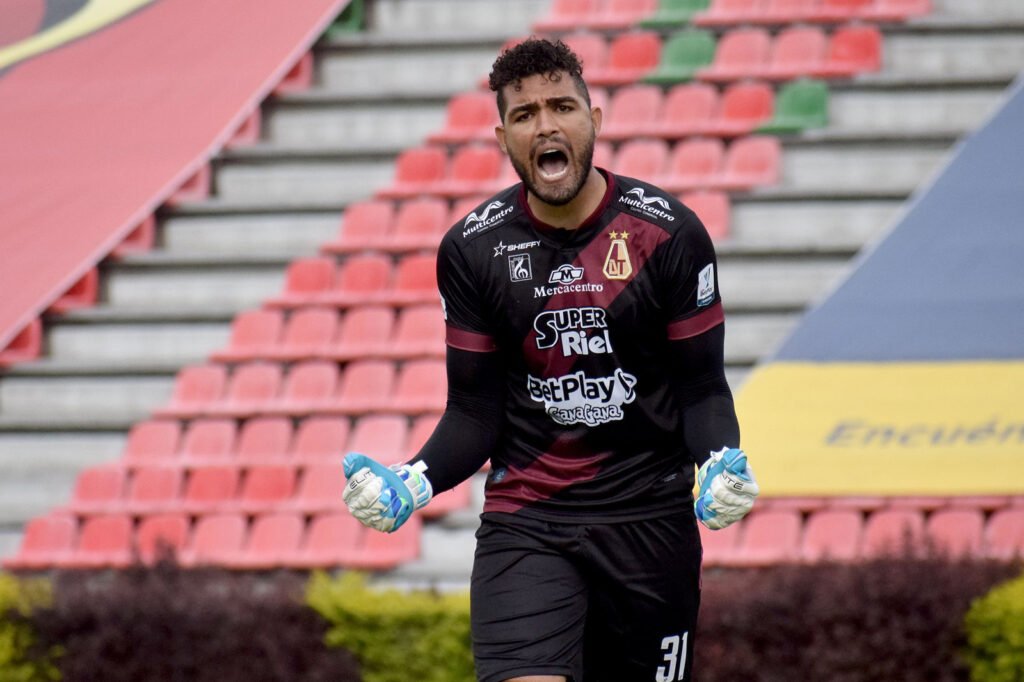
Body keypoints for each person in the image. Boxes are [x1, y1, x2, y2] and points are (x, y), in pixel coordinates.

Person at [342, 37, 759, 682]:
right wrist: (415, 478)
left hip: (650, 520)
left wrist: (719, 461)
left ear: (595, 120)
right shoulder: (472, 249)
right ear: (503, 137)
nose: (545, 126)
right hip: (528, 519)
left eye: (562, 106)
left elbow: (702, 388)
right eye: (524, 114)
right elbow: (474, 410)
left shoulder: (669, 235)